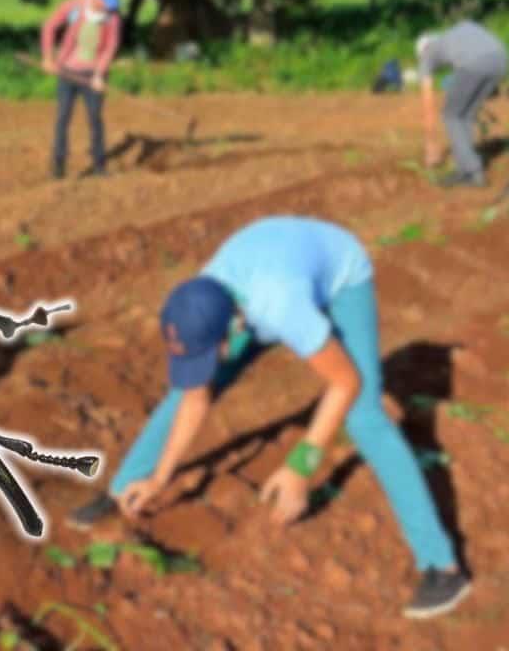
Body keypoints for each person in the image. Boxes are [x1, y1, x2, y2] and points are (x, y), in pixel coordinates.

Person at [69, 216, 470, 620]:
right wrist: (160, 476)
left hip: (340, 273)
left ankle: (442, 565)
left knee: (364, 417)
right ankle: (122, 490)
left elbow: (345, 382)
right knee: (183, 393)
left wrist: (301, 466)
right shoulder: (200, 299)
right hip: (273, 263)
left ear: (229, 330)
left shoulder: (281, 305)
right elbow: (194, 398)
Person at [41, 0, 122, 179]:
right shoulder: (74, 7)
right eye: (106, 1)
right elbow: (49, 26)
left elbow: (110, 47)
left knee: (95, 118)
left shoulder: (113, 18)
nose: (108, 6)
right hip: (67, 71)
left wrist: (99, 74)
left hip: (93, 75)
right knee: (63, 117)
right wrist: (48, 58)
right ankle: (58, 166)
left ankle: (99, 166)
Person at [416, 20, 507, 188]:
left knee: (451, 115)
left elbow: (427, 103)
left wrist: (431, 145)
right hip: (501, 60)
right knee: (465, 115)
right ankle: (466, 166)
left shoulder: (427, 53)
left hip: (474, 64)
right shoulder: (457, 32)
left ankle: (472, 173)